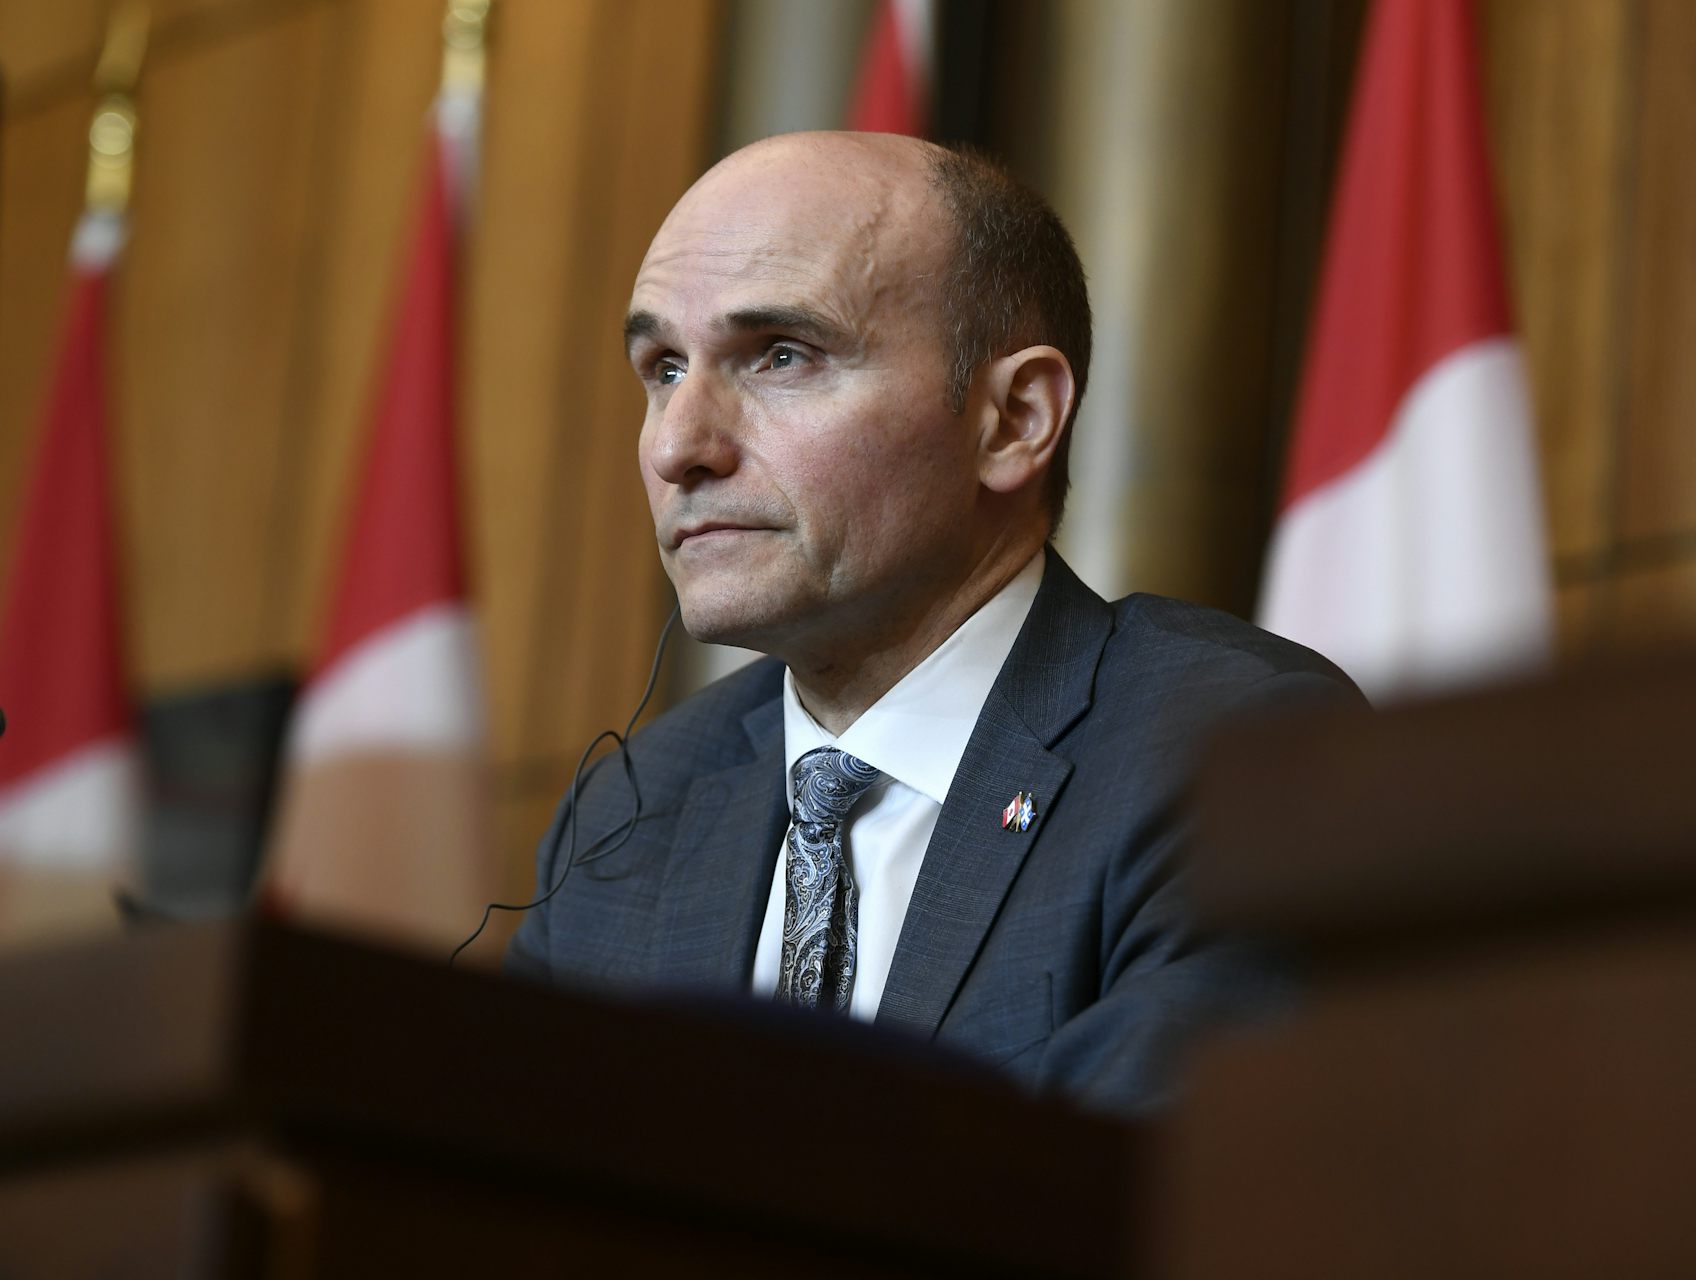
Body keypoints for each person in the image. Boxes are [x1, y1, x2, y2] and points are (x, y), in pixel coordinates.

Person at [504, 131, 1361, 1113]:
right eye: (662, 367)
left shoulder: (1235, 748)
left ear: (1014, 420)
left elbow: (1126, 1198)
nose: (678, 446)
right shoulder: (629, 814)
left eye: (780, 355)